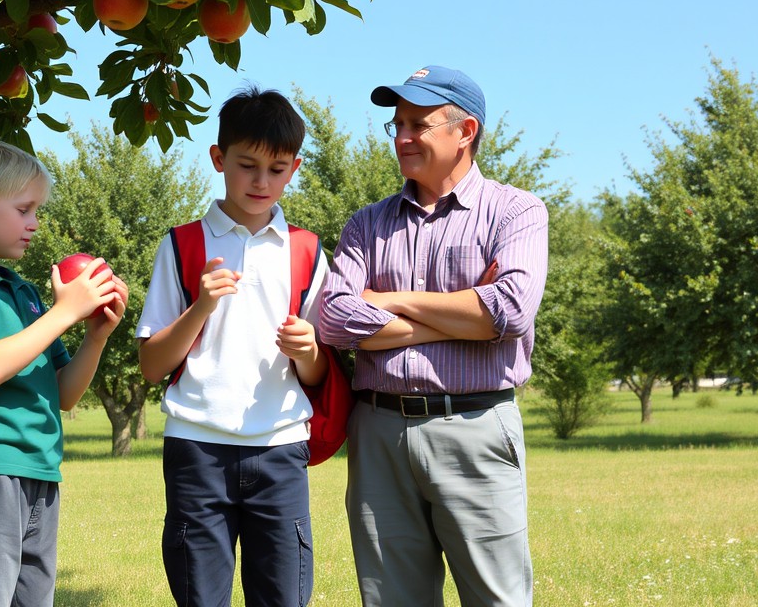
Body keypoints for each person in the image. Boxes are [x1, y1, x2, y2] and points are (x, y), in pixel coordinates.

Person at [319, 66, 549, 607]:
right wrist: (465, 311)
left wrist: (387, 301)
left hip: (475, 428)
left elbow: (509, 310)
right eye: (396, 124)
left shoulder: (516, 211)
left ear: (465, 130)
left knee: (498, 600)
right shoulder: (366, 224)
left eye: (417, 124)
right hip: (378, 435)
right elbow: (333, 320)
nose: (401, 137)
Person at [136, 86, 332, 606]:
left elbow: (318, 376)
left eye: (278, 168)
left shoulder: (309, 251)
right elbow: (152, 365)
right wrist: (200, 306)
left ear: (294, 168)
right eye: (247, 166)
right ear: (218, 159)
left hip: (281, 449)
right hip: (196, 449)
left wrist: (308, 350)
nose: (262, 181)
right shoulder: (181, 244)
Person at [0, 135, 127, 607]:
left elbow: (64, 394)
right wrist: (65, 313)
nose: (35, 224)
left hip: (39, 472)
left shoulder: (25, 293)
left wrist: (95, 335)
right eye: (25, 209)